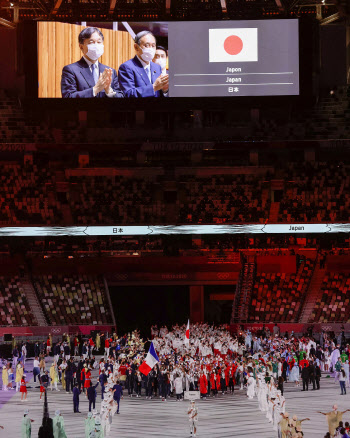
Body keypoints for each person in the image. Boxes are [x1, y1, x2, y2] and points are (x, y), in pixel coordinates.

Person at [61, 27, 124, 98]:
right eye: (91, 42)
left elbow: (120, 96)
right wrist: (95, 89)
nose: (96, 45)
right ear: (81, 46)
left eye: (99, 42)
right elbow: (68, 96)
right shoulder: (71, 70)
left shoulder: (110, 71)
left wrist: (109, 91)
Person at [118, 31, 169, 98]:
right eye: (147, 45)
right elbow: (128, 94)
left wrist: (164, 90)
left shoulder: (157, 67)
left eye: (153, 46)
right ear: (136, 47)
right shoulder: (127, 67)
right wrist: (153, 87)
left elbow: (159, 93)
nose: (150, 48)